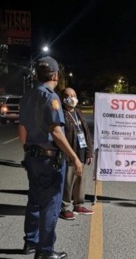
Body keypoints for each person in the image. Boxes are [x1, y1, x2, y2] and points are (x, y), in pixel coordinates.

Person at [19, 56, 83, 259]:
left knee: (35, 200)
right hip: (49, 159)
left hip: (32, 156)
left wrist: (28, 150)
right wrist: (74, 157)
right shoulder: (51, 97)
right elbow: (56, 132)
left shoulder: (27, 96)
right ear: (55, 75)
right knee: (51, 204)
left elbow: (22, 129)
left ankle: (30, 242)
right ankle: (45, 251)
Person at [59, 87, 94, 220]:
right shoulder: (61, 114)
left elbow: (86, 133)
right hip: (69, 154)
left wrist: (89, 152)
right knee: (68, 182)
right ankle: (64, 207)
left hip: (82, 152)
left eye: (74, 95)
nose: (72, 98)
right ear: (63, 98)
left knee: (80, 180)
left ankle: (79, 204)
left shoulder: (78, 112)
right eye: (69, 96)